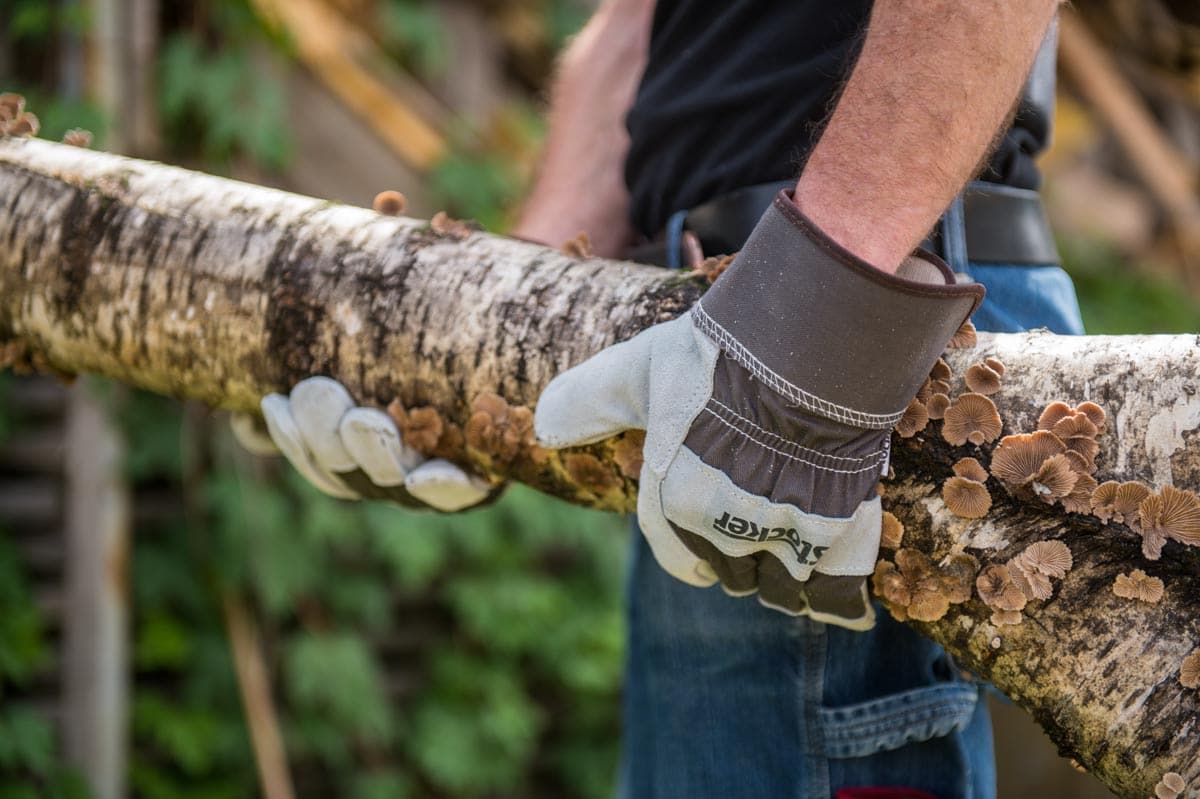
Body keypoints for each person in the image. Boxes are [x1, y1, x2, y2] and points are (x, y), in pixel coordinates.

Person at [247, 1, 1086, 796]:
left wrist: (813, 310)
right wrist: (500, 320)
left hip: (854, 294)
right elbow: (645, 26)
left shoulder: (815, 307)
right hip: (732, 308)